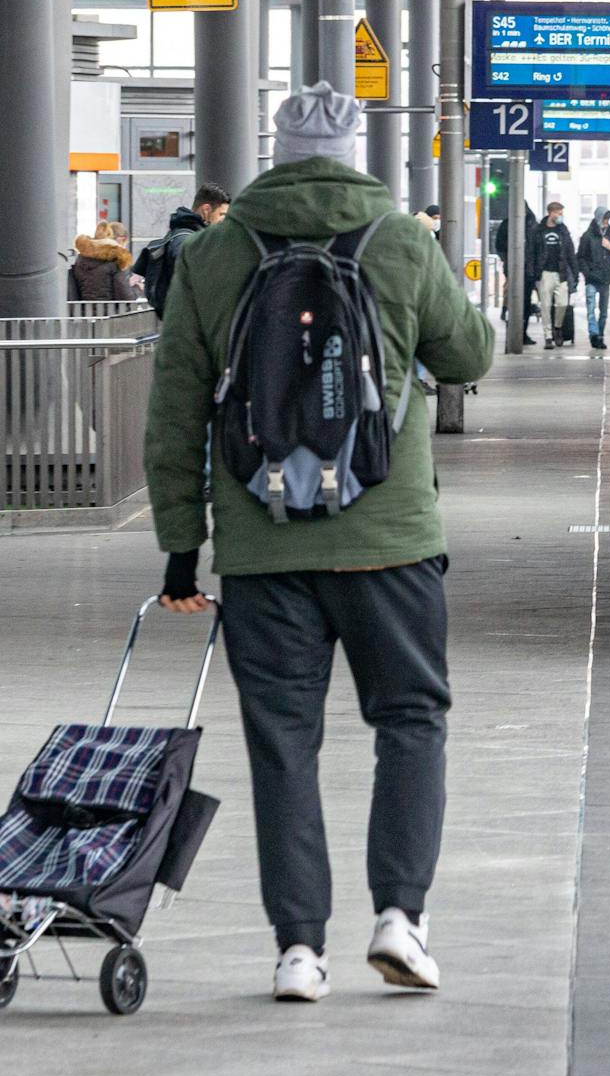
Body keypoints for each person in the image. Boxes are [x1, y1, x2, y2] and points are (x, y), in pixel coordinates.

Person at [144, 84, 494, 1004]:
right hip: (391, 541)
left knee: (283, 746)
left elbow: (176, 408)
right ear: (352, 152)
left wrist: (182, 546)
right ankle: (400, 919)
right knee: (410, 721)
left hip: (261, 547)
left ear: (278, 151)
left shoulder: (214, 253)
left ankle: (299, 951)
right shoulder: (402, 241)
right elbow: (469, 357)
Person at [133, 182, 231, 318]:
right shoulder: (188, 241)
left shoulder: (180, 236)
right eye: (221, 215)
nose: (224, 221)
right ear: (206, 210)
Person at [492, 202, 539, 344]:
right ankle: (514, 333)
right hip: (513, 268)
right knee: (515, 300)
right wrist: (507, 259)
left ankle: (522, 333)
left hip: (529, 269)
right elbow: (500, 245)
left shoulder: (532, 225)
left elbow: (538, 247)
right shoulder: (508, 224)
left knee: (525, 302)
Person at [535, 200, 578, 348]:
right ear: (551, 213)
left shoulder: (563, 230)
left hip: (561, 272)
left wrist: (575, 272)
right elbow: (533, 251)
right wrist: (534, 272)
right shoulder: (539, 230)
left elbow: (570, 251)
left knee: (562, 304)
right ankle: (548, 336)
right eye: (559, 213)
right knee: (545, 306)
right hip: (545, 273)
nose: (561, 216)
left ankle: (558, 327)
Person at [577, 207, 610, 350]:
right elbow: (580, 257)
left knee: (604, 312)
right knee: (591, 310)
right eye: (604, 218)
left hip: (605, 278)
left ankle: (600, 336)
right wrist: (587, 273)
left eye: (608, 219)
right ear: (598, 218)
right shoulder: (587, 236)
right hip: (592, 279)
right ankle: (594, 335)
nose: (606, 221)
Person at [70, 221, 136, 302]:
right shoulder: (117, 260)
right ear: (121, 239)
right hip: (110, 309)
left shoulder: (81, 259)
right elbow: (125, 297)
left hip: (82, 309)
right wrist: (135, 291)